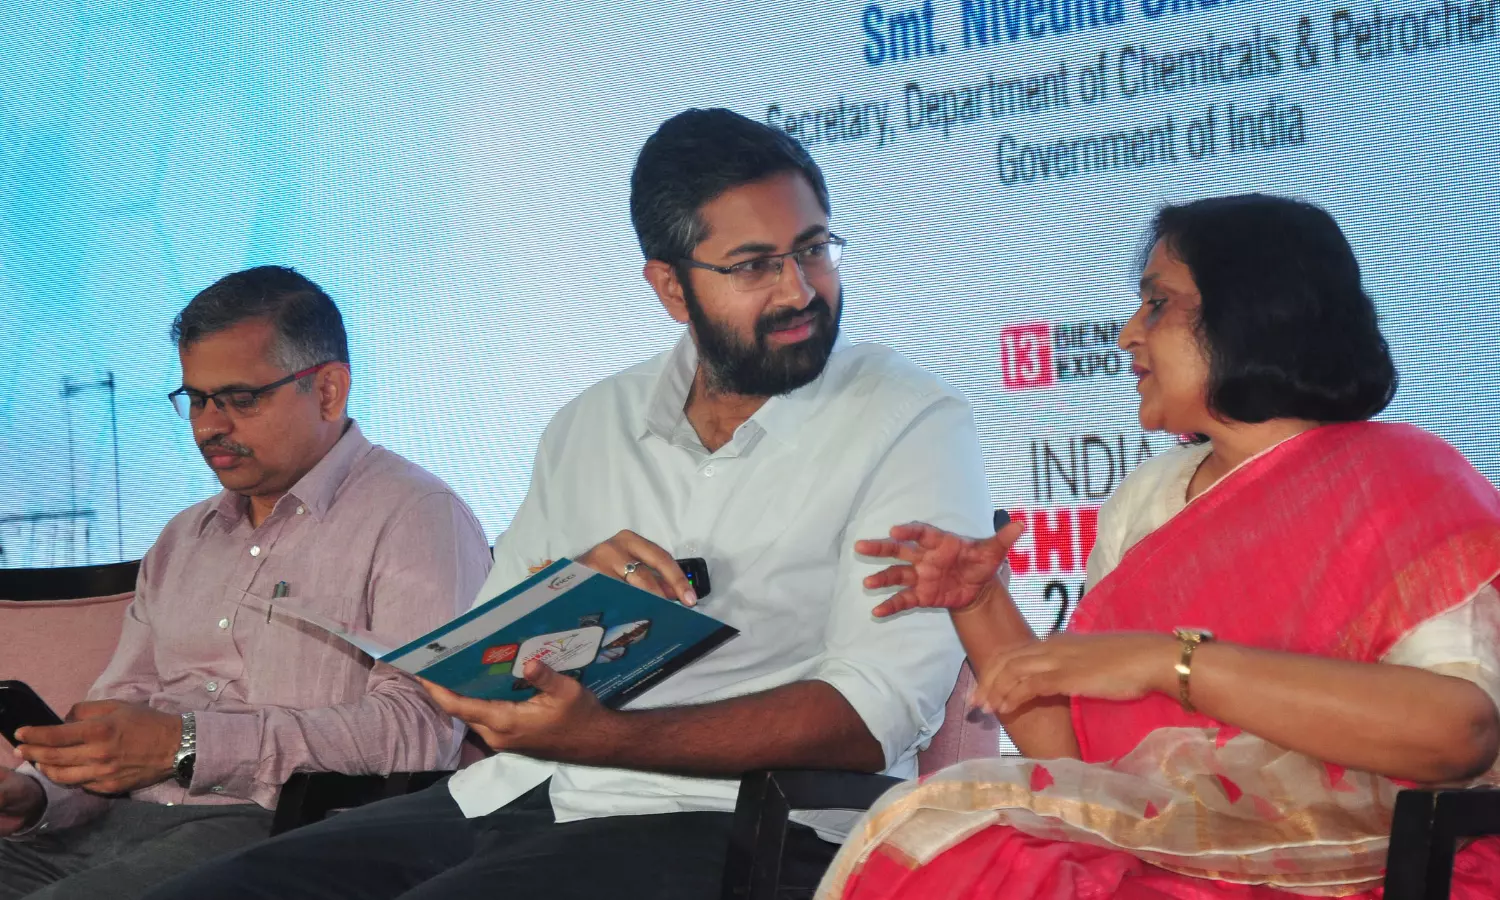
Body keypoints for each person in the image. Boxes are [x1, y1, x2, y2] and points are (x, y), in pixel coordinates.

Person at [143, 108, 993, 900]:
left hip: (743, 824)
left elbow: (871, 717)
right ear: (670, 286)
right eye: (753, 266)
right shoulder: (591, 424)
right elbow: (473, 679)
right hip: (515, 794)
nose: (800, 289)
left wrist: (606, 738)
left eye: (813, 250)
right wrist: (565, 596)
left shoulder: (909, 420)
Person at [817, 194, 1500, 900]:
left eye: (1157, 304)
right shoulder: (1148, 500)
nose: (1126, 336)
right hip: (1170, 864)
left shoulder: (1404, 477)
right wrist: (979, 603)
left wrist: (1171, 663)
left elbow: (1460, 734)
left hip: (1382, 873)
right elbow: (1081, 765)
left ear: (1253, 309)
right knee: (962, 846)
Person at [0, 266, 491, 900]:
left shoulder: (417, 516)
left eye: (240, 398)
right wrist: (38, 795)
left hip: (284, 830)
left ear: (328, 391)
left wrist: (190, 745)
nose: (209, 426)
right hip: (104, 829)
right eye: (197, 399)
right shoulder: (182, 538)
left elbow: (421, 733)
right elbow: (118, 724)